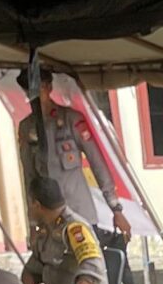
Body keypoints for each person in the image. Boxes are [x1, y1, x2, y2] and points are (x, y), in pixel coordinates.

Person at [16, 79, 118, 233]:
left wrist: (115, 208)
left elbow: (97, 163)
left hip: (79, 213)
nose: (35, 94)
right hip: (49, 220)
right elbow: (29, 176)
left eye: (40, 87)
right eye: (30, 89)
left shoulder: (71, 119)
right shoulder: (27, 128)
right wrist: (33, 223)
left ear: (49, 87)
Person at [21, 177, 109, 284]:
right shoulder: (47, 228)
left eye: (29, 203)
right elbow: (33, 271)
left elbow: (92, 272)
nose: (28, 209)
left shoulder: (75, 228)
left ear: (37, 204)